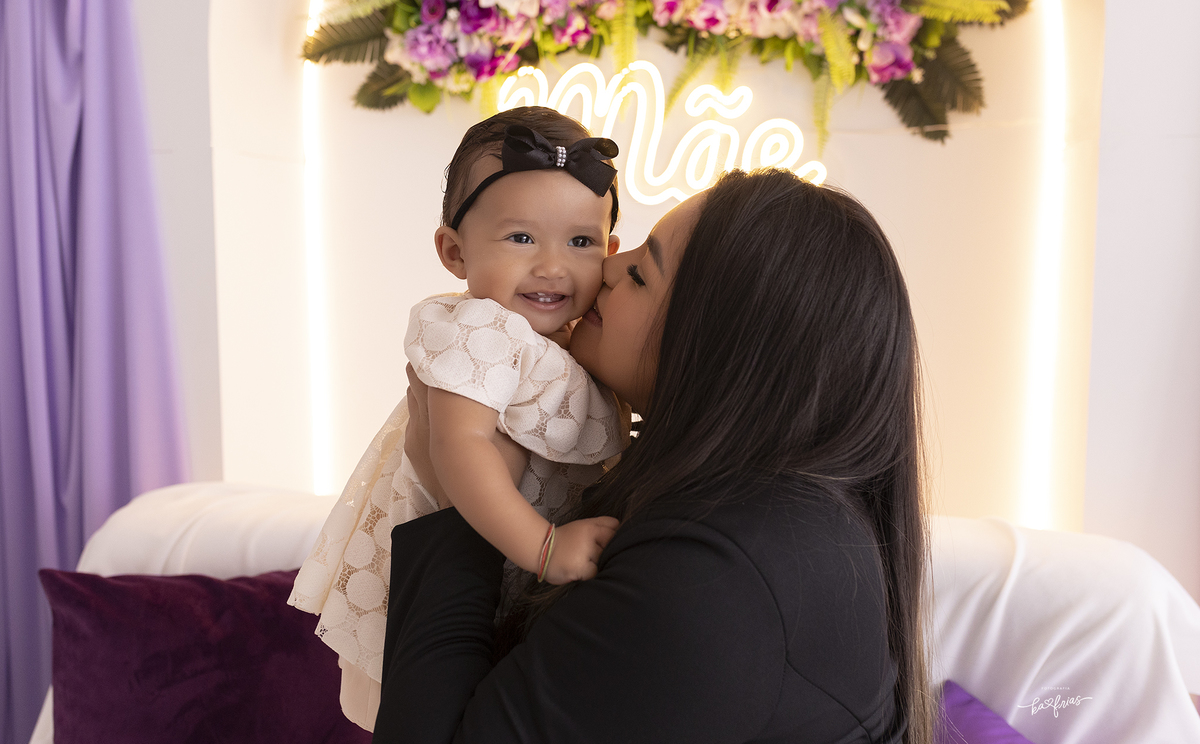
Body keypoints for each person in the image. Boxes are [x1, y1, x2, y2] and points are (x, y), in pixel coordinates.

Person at [378, 168, 933, 744]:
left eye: (640, 272)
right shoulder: (776, 519)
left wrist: (455, 504)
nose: (606, 267)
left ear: (719, 349)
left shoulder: (707, 580)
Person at [289, 108, 633, 730]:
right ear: (454, 251)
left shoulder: (578, 345)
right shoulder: (480, 328)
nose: (552, 265)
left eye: (580, 243)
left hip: (510, 580)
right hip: (459, 577)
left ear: (609, 253)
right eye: (521, 238)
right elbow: (458, 446)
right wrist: (545, 547)